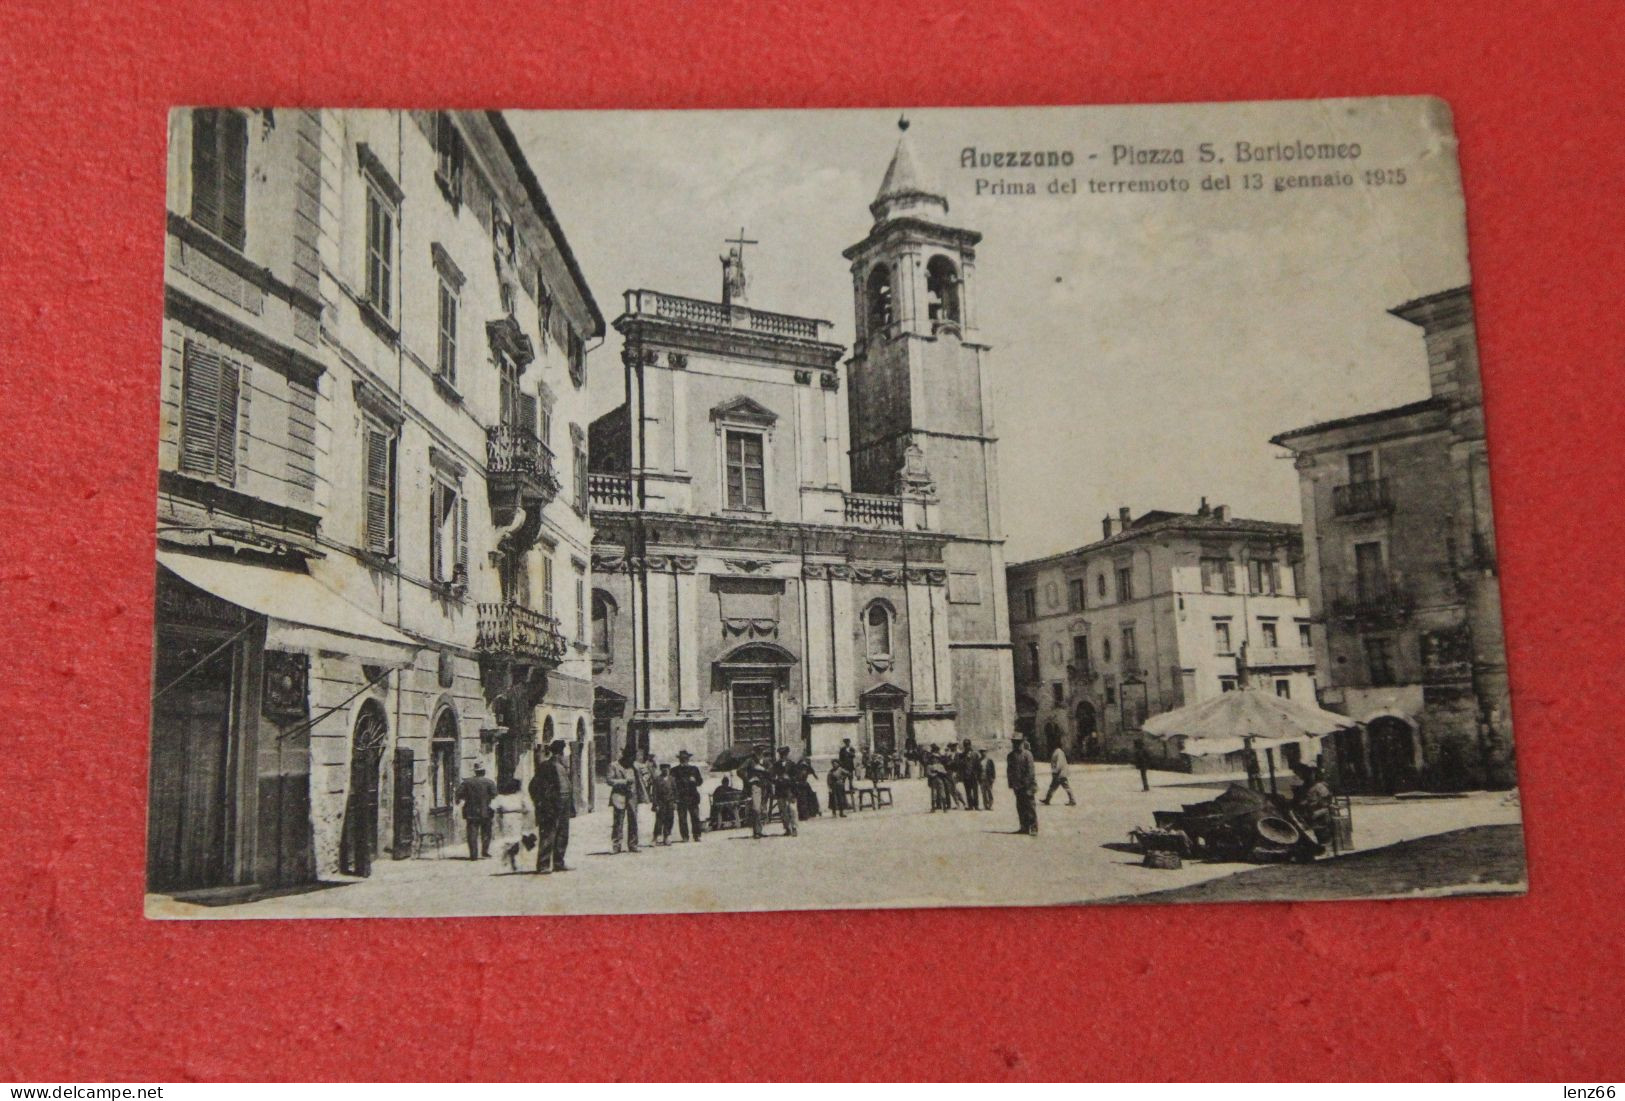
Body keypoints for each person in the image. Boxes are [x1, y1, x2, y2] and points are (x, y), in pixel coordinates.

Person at [454, 762, 498, 860]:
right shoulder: (489, 782)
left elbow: (458, 794)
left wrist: (465, 798)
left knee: (472, 833)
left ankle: (473, 855)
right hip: (486, 811)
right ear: (484, 772)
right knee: (486, 832)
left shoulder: (467, 782)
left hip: (471, 811)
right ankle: (485, 852)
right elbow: (495, 795)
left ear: (475, 772)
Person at [608, 746, 643, 853]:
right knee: (618, 821)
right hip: (619, 796)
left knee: (633, 821)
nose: (632, 759)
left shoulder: (635, 766)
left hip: (633, 796)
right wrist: (624, 781)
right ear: (625, 756)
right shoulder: (614, 765)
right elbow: (609, 780)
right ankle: (616, 845)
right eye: (630, 757)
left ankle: (633, 844)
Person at [1291, 763, 1335, 845]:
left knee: (1320, 831)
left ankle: (1325, 842)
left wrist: (1310, 803)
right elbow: (1300, 800)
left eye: (1304, 775)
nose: (1302, 777)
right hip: (1309, 814)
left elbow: (1326, 802)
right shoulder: (1305, 786)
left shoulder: (1319, 786)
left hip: (1320, 813)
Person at [739, 746, 773, 839]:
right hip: (756, 787)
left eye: (761, 751)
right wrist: (748, 779)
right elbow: (740, 770)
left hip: (765, 787)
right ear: (754, 752)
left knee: (762, 809)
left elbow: (772, 771)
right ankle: (756, 831)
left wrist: (763, 770)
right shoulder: (750, 761)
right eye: (758, 751)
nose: (759, 753)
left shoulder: (766, 761)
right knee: (756, 808)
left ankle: (759, 830)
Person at [1008, 734, 1038, 835]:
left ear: (1022, 742)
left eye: (1018, 742)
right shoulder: (1011, 756)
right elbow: (1009, 771)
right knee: (1020, 807)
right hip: (1017, 787)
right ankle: (1024, 827)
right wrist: (1012, 784)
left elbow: (1030, 772)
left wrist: (1025, 784)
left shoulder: (1028, 754)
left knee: (1030, 807)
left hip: (1028, 786)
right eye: (1014, 742)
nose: (1016, 744)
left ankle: (1033, 827)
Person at [672, 749, 705, 842]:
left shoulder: (694, 769)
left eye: (686, 758)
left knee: (695, 817)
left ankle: (697, 835)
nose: (684, 760)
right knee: (682, 818)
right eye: (682, 759)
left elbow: (700, 781)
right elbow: (672, 784)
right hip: (681, 797)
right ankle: (685, 836)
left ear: (688, 759)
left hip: (693, 796)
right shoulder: (674, 770)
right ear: (679, 759)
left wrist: (695, 780)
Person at [772, 746, 800, 837]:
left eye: (784, 754)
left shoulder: (792, 764)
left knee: (792, 809)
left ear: (787, 754)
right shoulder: (776, 765)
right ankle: (787, 828)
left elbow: (796, 777)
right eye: (781, 754)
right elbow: (772, 776)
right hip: (780, 790)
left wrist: (789, 778)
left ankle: (794, 827)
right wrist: (776, 779)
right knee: (783, 810)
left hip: (790, 789)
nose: (782, 756)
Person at [651, 763, 676, 845]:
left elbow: (675, 791)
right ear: (661, 770)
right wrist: (655, 804)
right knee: (659, 820)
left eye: (667, 768)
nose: (665, 770)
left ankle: (667, 836)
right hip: (661, 803)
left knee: (669, 819)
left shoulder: (672, 779)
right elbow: (654, 793)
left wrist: (675, 802)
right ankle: (655, 838)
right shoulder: (657, 779)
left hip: (670, 802)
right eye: (663, 768)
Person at [793, 753, 821, 819]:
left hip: (804, 785)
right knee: (802, 800)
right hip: (800, 786)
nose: (804, 769)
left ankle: (811, 812)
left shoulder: (806, 768)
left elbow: (814, 775)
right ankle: (804, 815)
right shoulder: (798, 770)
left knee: (810, 797)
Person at [959, 739, 981, 810]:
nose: (967, 747)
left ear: (970, 745)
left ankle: (976, 806)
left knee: (975, 791)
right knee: (968, 792)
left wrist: (978, 775)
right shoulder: (962, 755)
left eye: (968, 745)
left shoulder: (975, 754)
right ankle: (970, 806)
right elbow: (960, 765)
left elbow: (978, 765)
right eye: (965, 745)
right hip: (966, 776)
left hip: (973, 775)